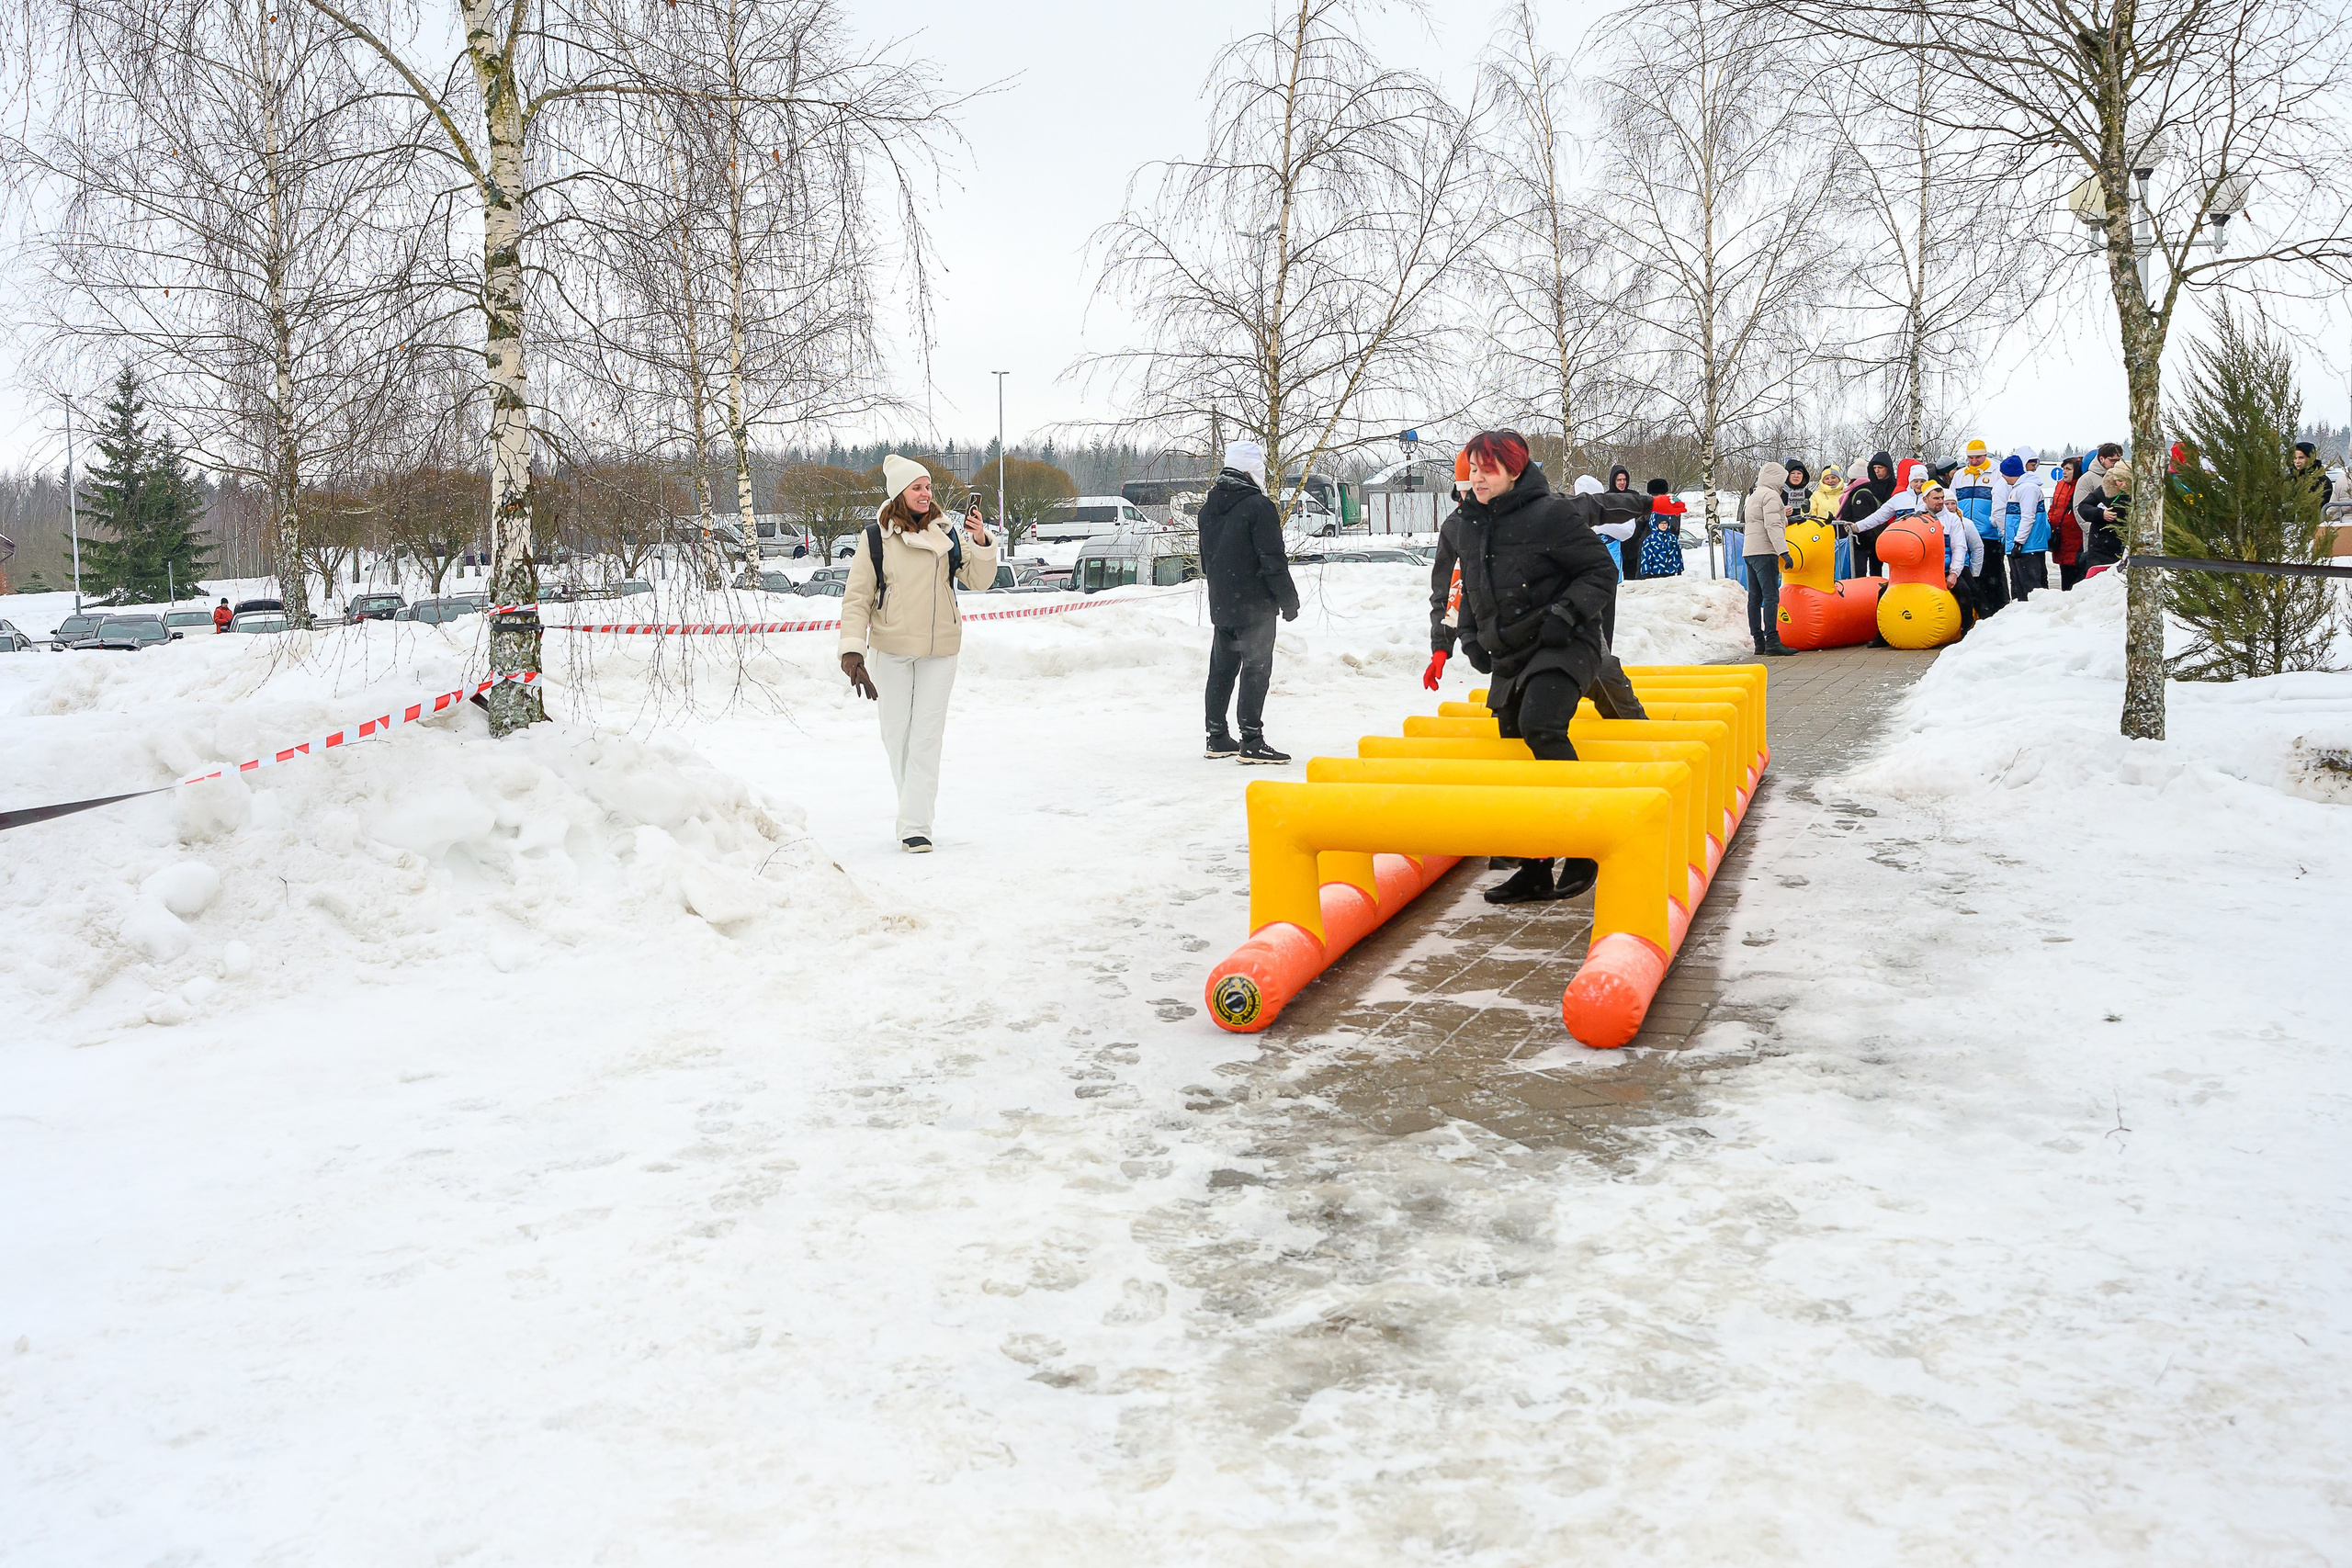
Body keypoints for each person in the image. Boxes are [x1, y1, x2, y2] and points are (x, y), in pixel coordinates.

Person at [1444, 429, 1645, 905]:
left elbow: (1600, 571)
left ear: (1514, 471)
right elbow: (1469, 586)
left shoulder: (1551, 514)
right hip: (1512, 651)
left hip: (1564, 642)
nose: (1477, 479)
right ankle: (1535, 867)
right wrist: (1469, 638)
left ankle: (1584, 845)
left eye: (1487, 469)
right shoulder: (1470, 522)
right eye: (1472, 470)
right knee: (1516, 743)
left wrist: (1567, 613)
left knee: (1541, 724)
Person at [838, 455, 1000, 852]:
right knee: (898, 736)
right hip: (891, 648)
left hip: (940, 650)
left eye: (928, 487)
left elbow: (979, 582)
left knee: (927, 738)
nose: (926, 494)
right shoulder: (876, 538)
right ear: (900, 493)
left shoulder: (946, 535)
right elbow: (857, 598)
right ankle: (912, 810)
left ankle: (915, 826)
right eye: (917, 487)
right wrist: (852, 653)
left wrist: (980, 542)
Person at [1197, 439, 1300, 763]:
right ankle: (1251, 741)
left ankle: (1216, 736)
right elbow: (1272, 559)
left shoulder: (1207, 508)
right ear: (1249, 471)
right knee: (1256, 670)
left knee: (1222, 670)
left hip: (1222, 604)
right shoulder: (1259, 507)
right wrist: (1289, 599)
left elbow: (1205, 562)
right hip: (1255, 607)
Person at [1743, 460, 1795, 657]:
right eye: (1782, 481)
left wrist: (1788, 520)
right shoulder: (1772, 496)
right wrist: (1784, 552)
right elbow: (1772, 526)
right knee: (1771, 597)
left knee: (1754, 599)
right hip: (1766, 552)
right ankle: (1772, 641)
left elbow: (1760, 521)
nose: (1783, 485)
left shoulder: (1755, 495)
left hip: (1750, 552)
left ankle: (1759, 642)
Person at [1952, 438, 2007, 619]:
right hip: (1965, 532)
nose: (1974, 462)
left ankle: (1997, 609)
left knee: (1992, 575)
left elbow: (2001, 501)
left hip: (1988, 534)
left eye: (1978, 458)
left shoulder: (1996, 473)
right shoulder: (1960, 476)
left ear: (1985, 455)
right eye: (1971, 458)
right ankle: (1978, 612)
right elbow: (1952, 499)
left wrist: (1995, 524)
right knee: (1972, 576)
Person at [1996, 446, 2052, 602]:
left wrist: (2019, 542)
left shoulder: (2027, 489)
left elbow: (2028, 517)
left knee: (2032, 589)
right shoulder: (2017, 488)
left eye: (2003, 473)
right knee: (2019, 587)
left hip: (2029, 546)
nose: (2002, 476)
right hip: (2021, 546)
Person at [1839, 451, 1897, 577]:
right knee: (1860, 572)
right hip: (1865, 536)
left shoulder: (1895, 486)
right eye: (1875, 468)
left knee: (1878, 571)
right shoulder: (1868, 488)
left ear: (1888, 468)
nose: (1877, 471)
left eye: (1880, 468)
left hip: (1886, 534)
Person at [2076, 460, 2131, 577]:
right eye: (2119, 481)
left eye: (2127, 481)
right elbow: (2083, 507)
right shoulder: (2105, 490)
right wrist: (2100, 514)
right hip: (2101, 547)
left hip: (2125, 546)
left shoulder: (2139, 494)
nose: (2123, 485)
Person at [1608, 465, 1651, 581]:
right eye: (1619, 480)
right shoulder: (1606, 498)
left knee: (1632, 582)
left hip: (1633, 547)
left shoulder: (1634, 496)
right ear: (1613, 480)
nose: (1622, 482)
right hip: (1614, 546)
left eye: (1624, 479)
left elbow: (1642, 519)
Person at [2048, 456, 2085, 589]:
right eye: (2063, 468)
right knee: (2064, 571)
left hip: (2075, 537)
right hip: (2061, 536)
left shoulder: (2081, 486)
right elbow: (2054, 506)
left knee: (2075, 572)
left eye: (2068, 469)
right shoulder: (2060, 485)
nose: (2064, 472)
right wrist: (2051, 519)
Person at [1639, 479, 1686, 577]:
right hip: (1653, 553)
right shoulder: (1672, 505)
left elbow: (1673, 529)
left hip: (1663, 554)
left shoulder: (1669, 506)